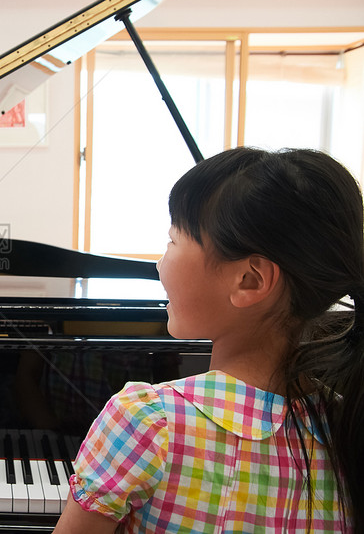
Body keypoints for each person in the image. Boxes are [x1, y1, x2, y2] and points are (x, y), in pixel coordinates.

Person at [54, 147, 362, 533]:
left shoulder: (149, 422)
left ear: (249, 281)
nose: (159, 262)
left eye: (172, 241)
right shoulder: (346, 424)